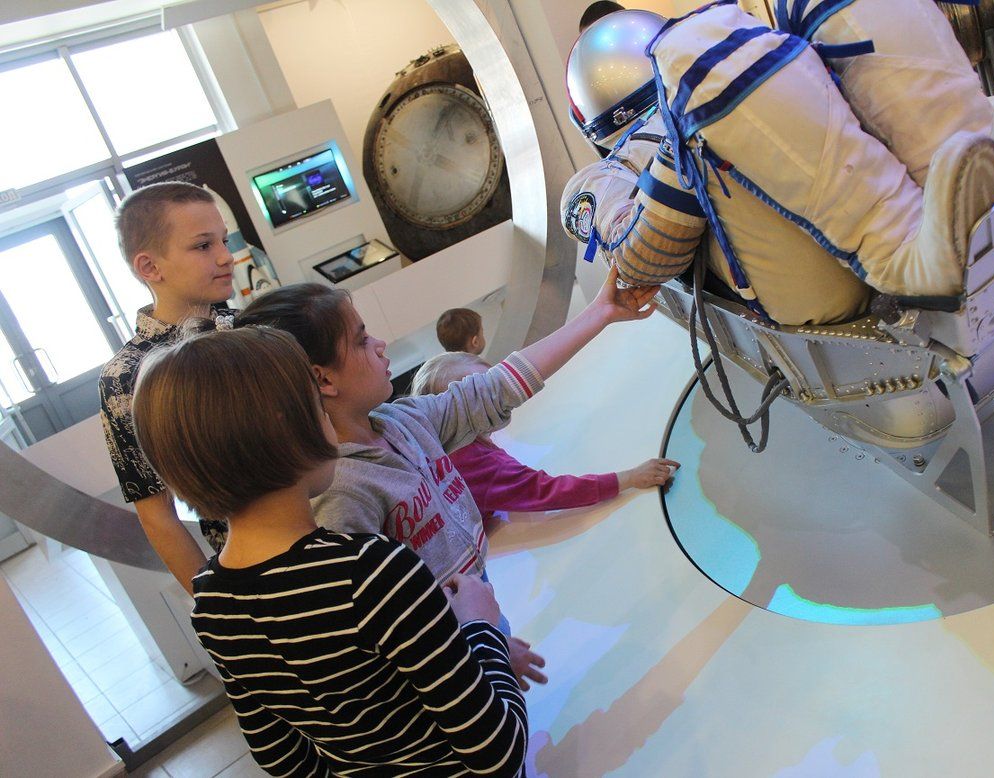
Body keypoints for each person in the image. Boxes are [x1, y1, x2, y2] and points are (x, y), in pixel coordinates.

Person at [234, 267, 658, 691]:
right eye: (362, 340)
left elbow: (497, 387)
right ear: (324, 378)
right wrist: (479, 643)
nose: (380, 345)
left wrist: (599, 313)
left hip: (474, 605)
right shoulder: (340, 491)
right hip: (447, 646)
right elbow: (388, 619)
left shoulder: (403, 420)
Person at [132, 326, 527, 776]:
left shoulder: (213, 605)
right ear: (290, 429)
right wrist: (481, 630)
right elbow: (498, 750)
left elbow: (281, 758)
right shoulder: (374, 572)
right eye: (316, 406)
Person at [561, 6, 994, 325]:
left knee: (723, 71)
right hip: (818, 281)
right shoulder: (698, 76)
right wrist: (681, 148)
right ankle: (957, 177)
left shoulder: (606, 173)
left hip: (813, 288)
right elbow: (644, 250)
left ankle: (944, 200)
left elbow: (641, 260)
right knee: (730, 68)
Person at [98, 181, 237, 596]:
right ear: (150, 267)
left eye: (225, 241)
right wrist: (215, 607)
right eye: (203, 246)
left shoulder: (249, 327)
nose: (226, 256)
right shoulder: (127, 377)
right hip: (252, 564)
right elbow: (157, 512)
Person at [412, 351, 680, 516]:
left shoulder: (453, 446)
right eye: (480, 397)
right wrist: (630, 477)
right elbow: (544, 491)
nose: (499, 398)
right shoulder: (470, 459)